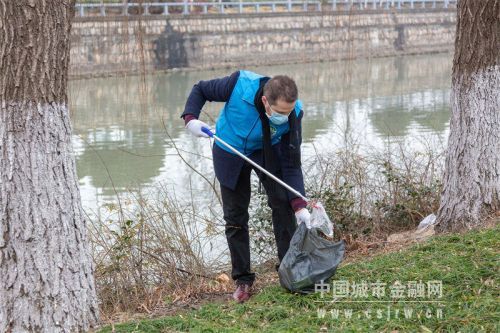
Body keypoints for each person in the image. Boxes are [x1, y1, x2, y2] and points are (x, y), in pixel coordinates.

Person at [182, 70, 310, 303]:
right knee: (235, 216)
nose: (285, 116)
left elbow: (291, 163)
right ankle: (243, 280)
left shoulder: (294, 113)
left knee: (283, 203)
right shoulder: (239, 85)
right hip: (229, 148)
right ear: (265, 101)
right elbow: (200, 89)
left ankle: (289, 268)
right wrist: (190, 118)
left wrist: (299, 203)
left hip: (265, 150)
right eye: (280, 112)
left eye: (289, 111)